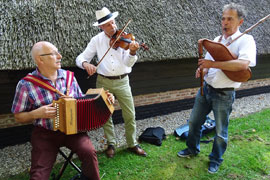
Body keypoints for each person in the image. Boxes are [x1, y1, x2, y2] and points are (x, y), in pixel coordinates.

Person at [11, 41, 114, 180]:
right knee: (39, 174)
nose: (60, 56)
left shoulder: (69, 77)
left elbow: (82, 100)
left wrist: (105, 99)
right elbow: (18, 116)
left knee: (89, 152)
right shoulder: (26, 84)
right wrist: (36, 113)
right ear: (40, 59)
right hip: (45, 134)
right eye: (54, 54)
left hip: (74, 131)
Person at [177, 3, 256, 174]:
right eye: (223, 18)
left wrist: (213, 63)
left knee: (221, 132)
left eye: (230, 19)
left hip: (224, 94)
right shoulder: (217, 40)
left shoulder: (246, 40)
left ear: (240, 22)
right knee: (194, 122)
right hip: (206, 90)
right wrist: (203, 69)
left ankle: (215, 159)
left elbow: (243, 64)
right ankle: (192, 148)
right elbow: (207, 64)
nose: (225, 22)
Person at [76, 7, 147, 158]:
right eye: (108, 24)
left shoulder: (125, 38)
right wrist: (85, 64)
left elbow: (128, 63)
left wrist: (133, 52)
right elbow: (80, 58)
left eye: (113, 22)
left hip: (123, 81)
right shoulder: (96, 40)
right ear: (101, 27)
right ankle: (111, 143)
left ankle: (132, 143)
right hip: (103, 82)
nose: (113, 26)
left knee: (130, 114)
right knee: (105, 114)